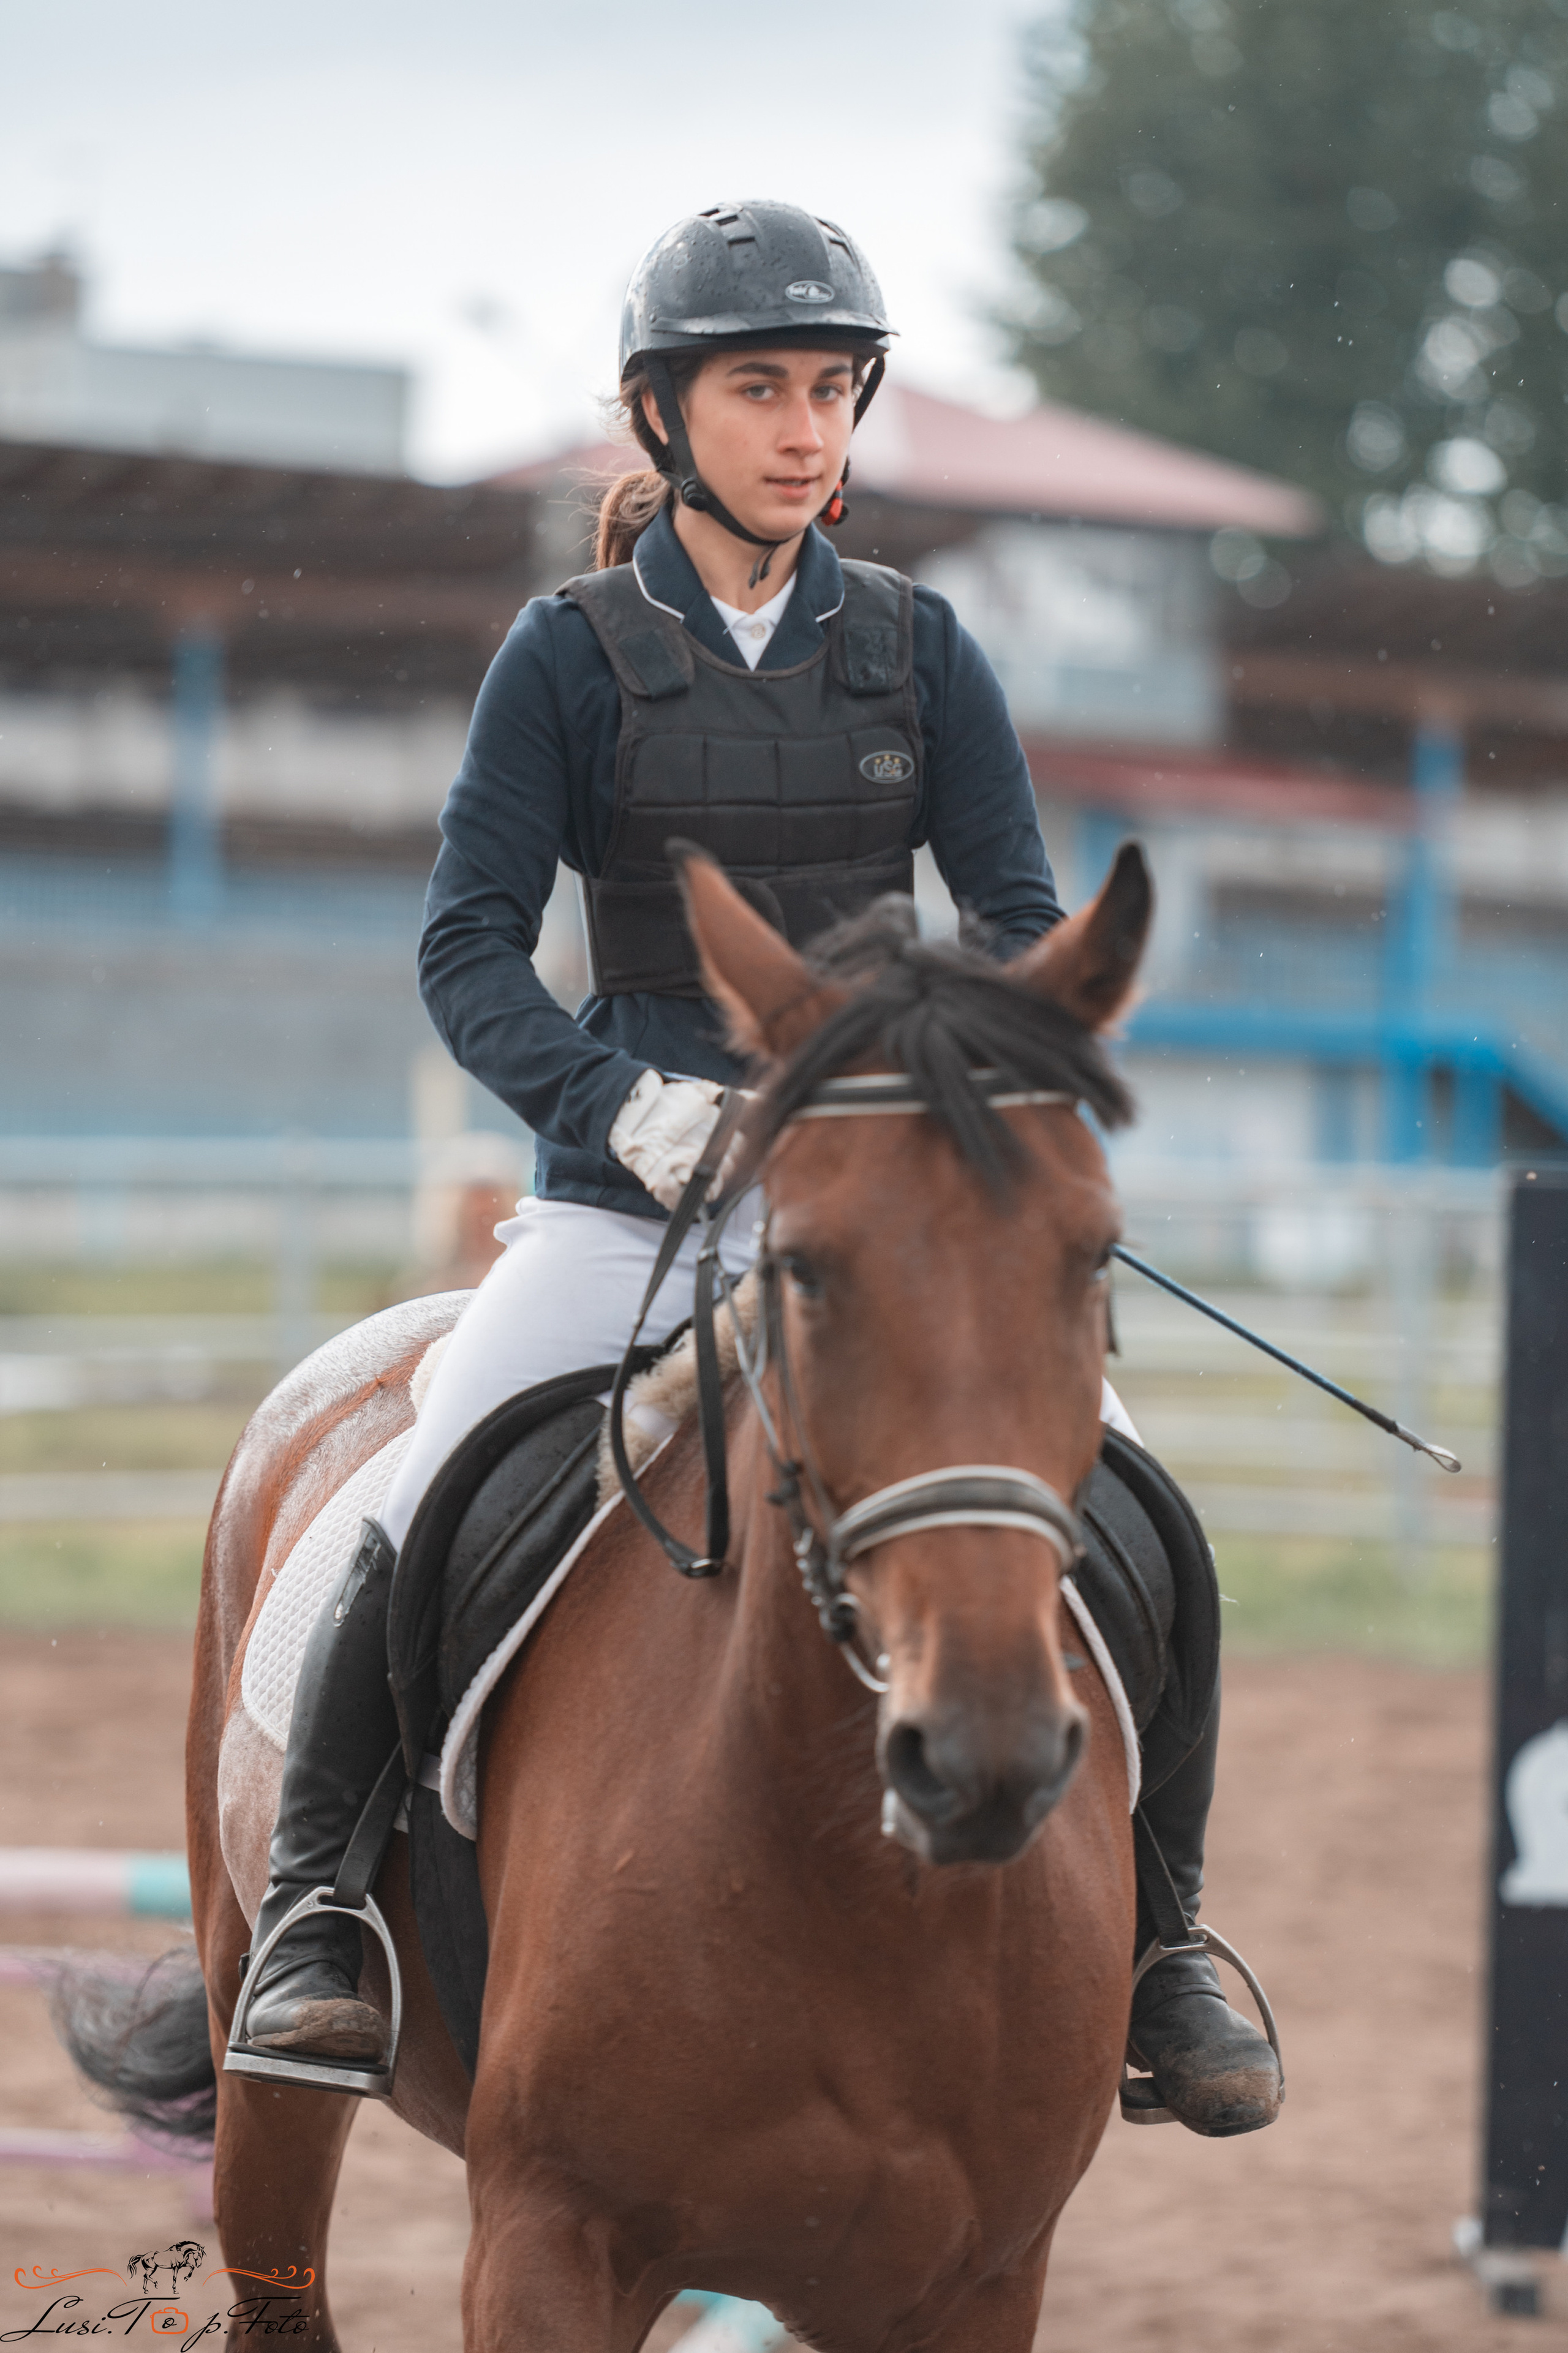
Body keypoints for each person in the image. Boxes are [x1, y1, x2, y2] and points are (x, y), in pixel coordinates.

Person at [233, 200, 1281, 2139]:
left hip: (878, 1203)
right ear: (664, 412)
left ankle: (1168, 1941)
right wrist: (624, 1103)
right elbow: (467, 950)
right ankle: (318, 1907)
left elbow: (1020, 916)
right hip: (630, 1197)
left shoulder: (920, 649)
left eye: (832, 390)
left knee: (1140, 1509)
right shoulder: (565, 657)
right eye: (760, 390)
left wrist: (981, 1097)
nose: (805, 430)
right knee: (424, 1482)